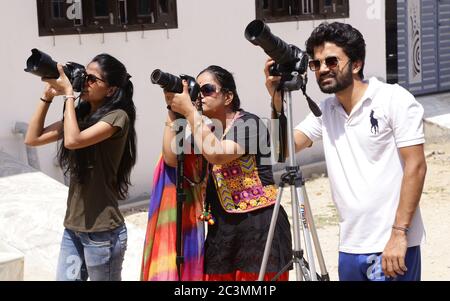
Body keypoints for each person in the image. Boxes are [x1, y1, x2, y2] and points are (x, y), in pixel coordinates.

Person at [265, 22, 427, 281]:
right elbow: (282, 149)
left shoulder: (393, 99)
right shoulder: (324, 111)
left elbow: (416, 166)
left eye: (331, 61)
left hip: (391, 243)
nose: (322, 69)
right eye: (316, 64)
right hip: (350, 247)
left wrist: (399, 234)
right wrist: (276, 99)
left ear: (356, 64)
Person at [159, 65, 292, 281]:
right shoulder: (206, 131)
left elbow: (217, 154)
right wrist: (173, 112)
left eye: (207, 90)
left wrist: (191, 112)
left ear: (228, 96)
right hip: (222, 227)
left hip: (258, 226)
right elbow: (171, 157)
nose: (200, 97)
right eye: (197, 91)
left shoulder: (249, 123)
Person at [24, 54, 137, 281]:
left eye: (93, 79)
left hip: (102, 233)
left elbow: (73, 140)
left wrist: (68, 95)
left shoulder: (118, 117)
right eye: (85, 76)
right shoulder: (81, 114)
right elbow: (33, 138)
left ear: (111, 90)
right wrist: (47, 97)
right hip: (73, 229)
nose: (85, 82)